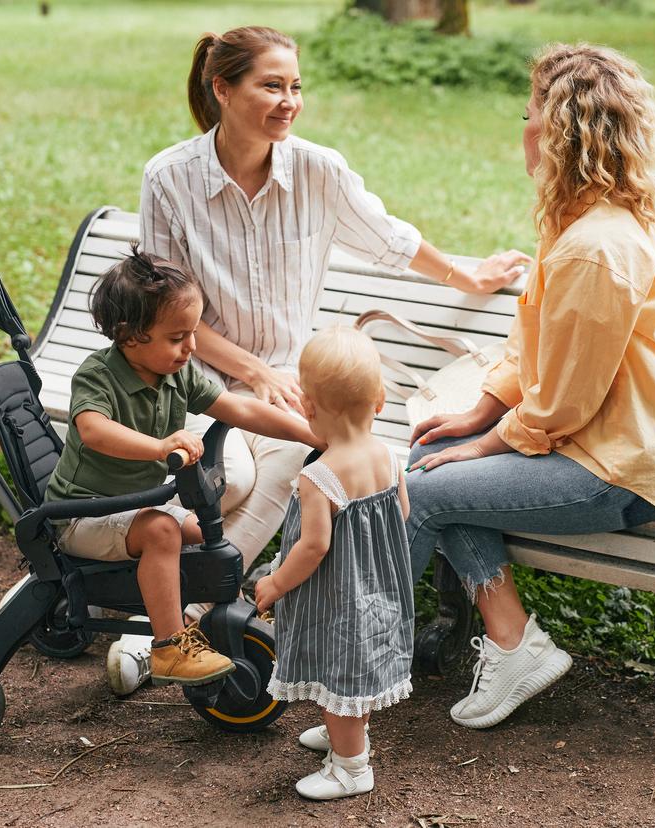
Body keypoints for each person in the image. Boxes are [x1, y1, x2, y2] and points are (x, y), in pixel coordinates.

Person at [110, 24, 529, 693]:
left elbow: (390, 240)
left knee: (343, 468)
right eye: (270, 85)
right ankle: (191, 618)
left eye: (295, 86)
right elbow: (167, 316)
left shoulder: (317, 170)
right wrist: (253, 373)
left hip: (299, 379)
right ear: (222, 88)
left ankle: (185, 622)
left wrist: (469, 276)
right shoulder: (170, 178)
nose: (289, 101)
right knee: (242, 481)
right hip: (203, 375)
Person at [405, 43, 655, 729]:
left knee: (420, 491)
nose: (523, 129)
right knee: (429, 464)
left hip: (620, 471)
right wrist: (479, 413)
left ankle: (353, 664)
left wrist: (487, 446)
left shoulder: (597, 246)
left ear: (560, 133)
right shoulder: (574, 223)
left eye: (529, 113)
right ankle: (515, 645)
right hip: (594, 446)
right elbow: (530, 342)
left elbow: (567, 401)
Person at [43, 246, 322, 689]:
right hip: (83, 514)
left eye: (193, 333)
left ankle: (202, 615)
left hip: (129, 508)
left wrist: (310, 433)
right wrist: (158, 447)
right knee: (164, 531)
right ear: (130, 335)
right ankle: (169, 645)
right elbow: (93, 430)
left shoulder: (177, 374)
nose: (191, 347)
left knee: (203, 535)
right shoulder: (98, 375)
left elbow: (241, 410)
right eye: (178, 337)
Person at [254, 327, 413, 801]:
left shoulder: (319, 474)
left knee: (341, 665)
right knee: (359, 666)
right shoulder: (386, 455)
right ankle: (346, 729)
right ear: (380, 400)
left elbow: (313, 547)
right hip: (378, 586)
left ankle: (351, 766)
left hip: (338, 596)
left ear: (308, 407)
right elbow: (401, 512)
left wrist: (275, 584)